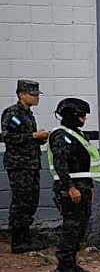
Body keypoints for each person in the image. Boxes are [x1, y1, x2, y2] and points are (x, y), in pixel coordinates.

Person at [46, 98, 100, 272]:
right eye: (81, 116)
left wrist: (90, 185)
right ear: (71, 116)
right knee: (72, 226)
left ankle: (71, 262)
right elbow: (60, 164)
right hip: (70, 188)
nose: (84, 119)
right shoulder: (60, 135)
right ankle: (63, 266)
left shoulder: (76, 134)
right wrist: (70, 187)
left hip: (83, 185)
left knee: (81, 226)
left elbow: (84, 164)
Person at [2, 79, 50, 252]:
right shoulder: (13, 114)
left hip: (31, 164)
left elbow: (26, 138)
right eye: (33, 94)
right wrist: (34, 136)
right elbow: (8, 138)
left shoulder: (28, 114)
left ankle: (26, 238)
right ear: (21, 95)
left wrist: (40, 138)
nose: (37, 98)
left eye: (37, 94)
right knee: (21, 202)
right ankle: (18, 241)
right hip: (19, 165)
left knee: (31, 201)